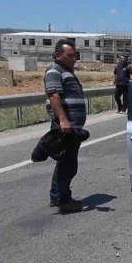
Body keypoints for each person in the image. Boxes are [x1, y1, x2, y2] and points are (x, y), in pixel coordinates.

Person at [43, 40, 89, 214]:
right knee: (68, 163)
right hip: (66, 125)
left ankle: (56, 196)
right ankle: (64, 201)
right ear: (58, 55)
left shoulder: (66, 71)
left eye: (75, 55)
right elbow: (54, 95)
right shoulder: (54, 70)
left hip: (72, 125)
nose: (74, 58)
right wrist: (63, 120)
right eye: (69, 55)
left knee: (64, 161)